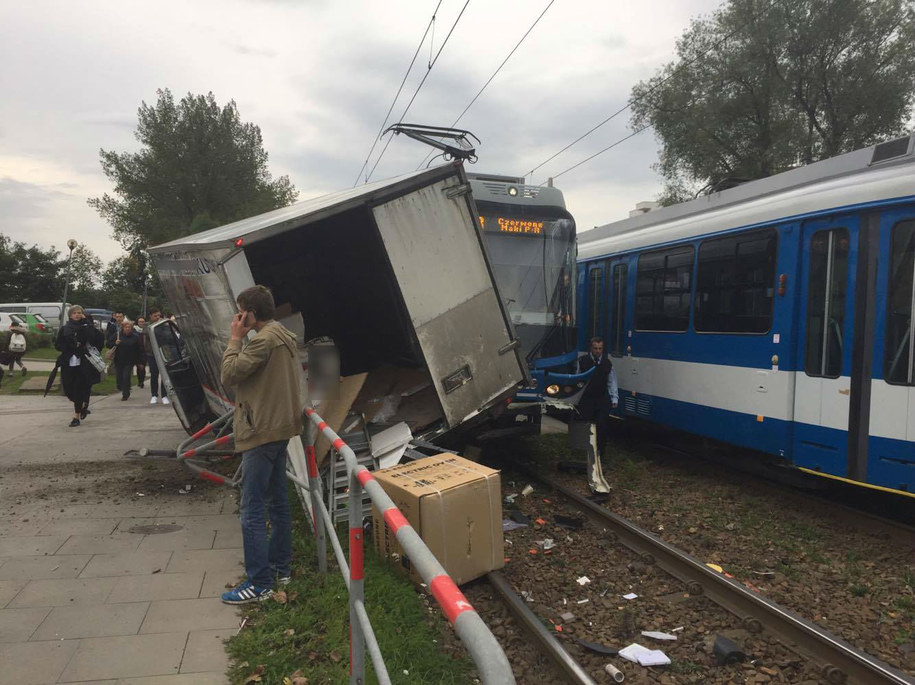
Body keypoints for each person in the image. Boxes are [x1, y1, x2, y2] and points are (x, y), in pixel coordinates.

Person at [220, 285, 302, 604]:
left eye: (241, 311)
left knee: (251, 508)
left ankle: (259, 583)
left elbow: (229, 374)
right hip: (279, 428)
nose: (238, 317)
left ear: (250, 313)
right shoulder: (282, 334)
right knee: (278, 502)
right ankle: (280, 567)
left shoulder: (261, 341)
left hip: (261, 430)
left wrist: (236, 338)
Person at [574, 336, 619, 494]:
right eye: (595, 348)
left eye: (600, 348)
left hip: (601, 397)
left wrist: (614, 397)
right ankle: (586, 453)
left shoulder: (607, 363)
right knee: (585, 423)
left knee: (602, 424)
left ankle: (600, 453)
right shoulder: (583, 362)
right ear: (591, 349)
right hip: (587, 397)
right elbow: (578, 379)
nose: (598, 351)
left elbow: (612, 381)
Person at [55, 306, 104, 427]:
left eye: (79, 313)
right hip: (68, 362)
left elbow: (95, 339)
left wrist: (86, 323)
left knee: (79, 387)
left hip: (83, 362)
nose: (77, 315)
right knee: (68, 388)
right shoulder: (65, 328)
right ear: (70, 315)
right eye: (75, 313)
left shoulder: (86, 327)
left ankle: (76, 416)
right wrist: (67, 346)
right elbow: (57, 344)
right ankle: (81, 404)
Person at [113, 320, 143, 401]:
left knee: (126, 377)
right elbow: (108, 344)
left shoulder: (135, 337)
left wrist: (140, 361)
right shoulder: (117, 335)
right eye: (126, 327)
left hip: (130, 361)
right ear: (123, 328)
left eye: (129, 327)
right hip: (119, 360)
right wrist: (115, 343)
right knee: (119, 379)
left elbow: (139, 350)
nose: (127, 329)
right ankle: (121, 387)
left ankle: (125, 394)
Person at [145, 309, 169, 404]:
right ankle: (154, 395)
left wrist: (164, 326)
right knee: (154, 375)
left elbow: (167, 336)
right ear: (150, 316)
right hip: (152, 354)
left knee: (164, 375)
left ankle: (164, 395)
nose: (158, 317)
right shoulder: (147, 326)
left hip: (163, 353)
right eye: (155, 316)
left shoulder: (164, 325)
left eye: (159, 315)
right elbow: (150, 335)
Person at [134, 317, 147, 389]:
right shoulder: (134, 330)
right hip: (137, 351)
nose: (141, 323)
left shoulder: (147, 330)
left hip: (144, 351)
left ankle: (142, 381)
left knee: (143, 366)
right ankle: (139, 380)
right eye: (140, 322)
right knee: (138, 366)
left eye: (143, 322)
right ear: (137, 322)